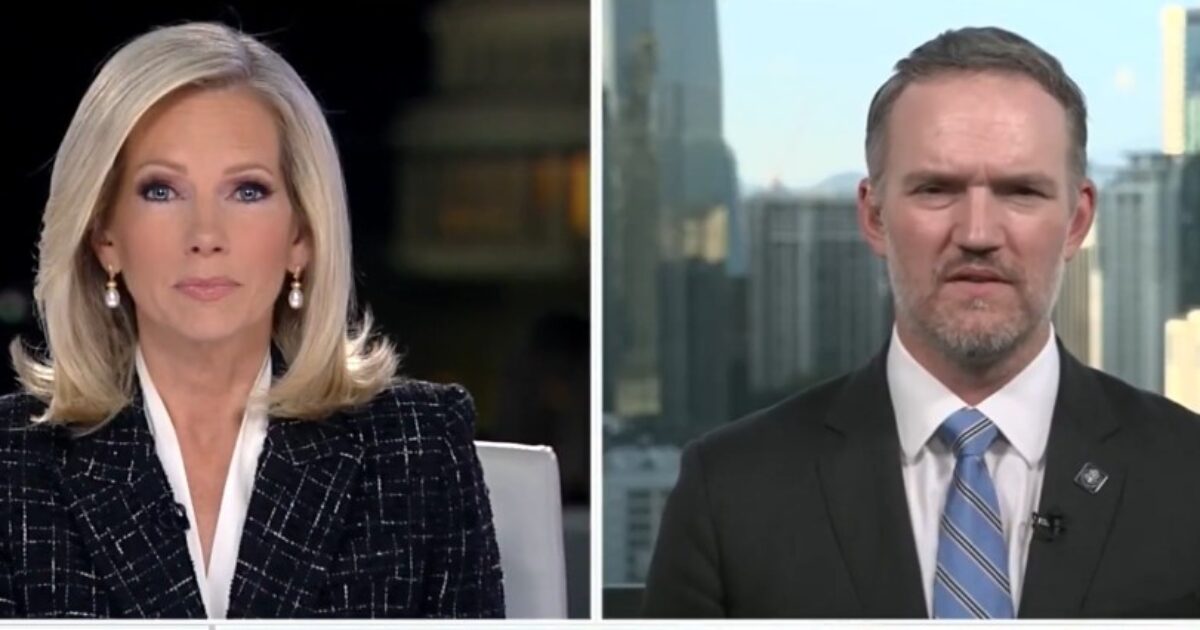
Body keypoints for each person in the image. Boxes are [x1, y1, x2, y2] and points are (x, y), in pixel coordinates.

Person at [643, 26, 1200, 619]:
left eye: (1021, 192)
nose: (978, 234)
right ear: (875, 216)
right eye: (936, 189)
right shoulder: (730, 491)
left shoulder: (1187, 475)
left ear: (1076, 221)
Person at [0, 22, 504, 618]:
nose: (206, 236)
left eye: (247, 191)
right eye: (161, 191)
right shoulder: (16, 465)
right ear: (104, 237)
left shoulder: (416, 450)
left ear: (301, 236)